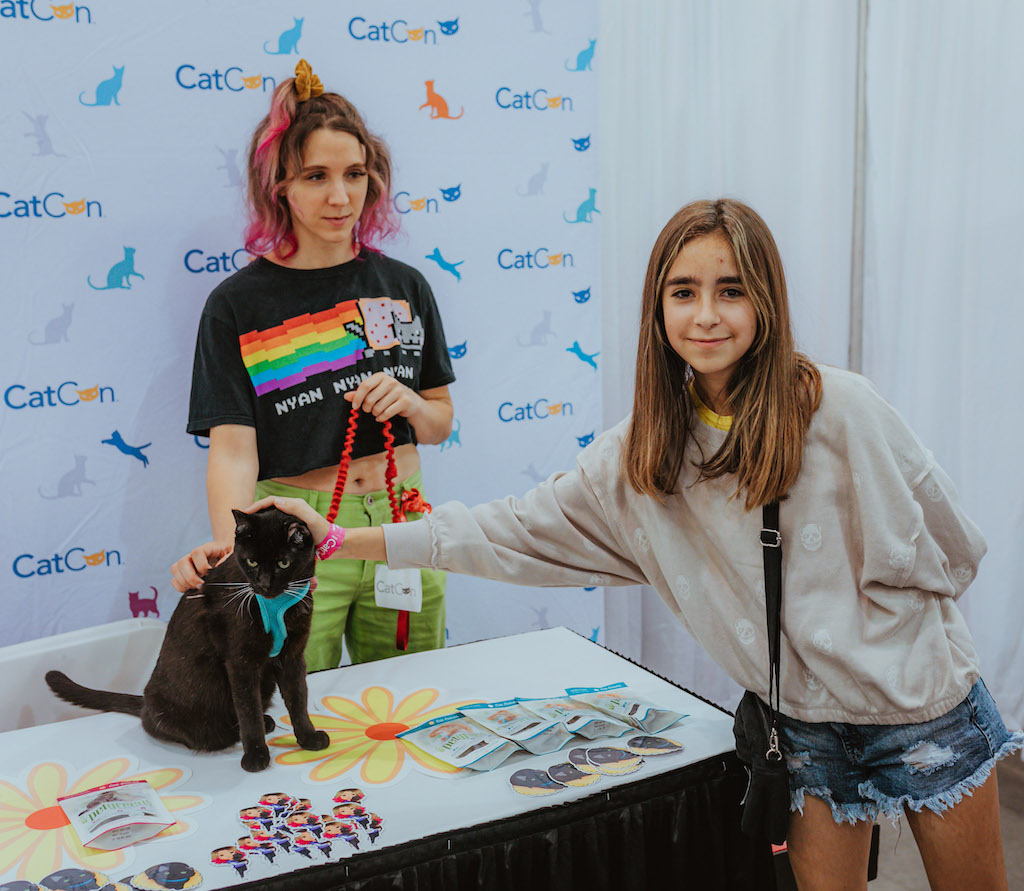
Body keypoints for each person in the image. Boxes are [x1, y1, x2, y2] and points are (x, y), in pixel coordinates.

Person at [247, 198, 1023, 889]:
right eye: (683, 292)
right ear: (656, 308)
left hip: (922, 708)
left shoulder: (839, 407)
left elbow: (953, 547)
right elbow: (507, 528)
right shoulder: (643, 454)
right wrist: (342, 537)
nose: (707, 315)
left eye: (731, 290)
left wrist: (877, 632)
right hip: (804, 731)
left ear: (767, 301)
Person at [171, 59, 455, 671]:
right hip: (291, 537)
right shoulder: (236, 305)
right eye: (316, 176)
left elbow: (439, 422)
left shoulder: (404, 285)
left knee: (416, 694)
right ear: (279, 186)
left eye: (355, 174)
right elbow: (232, 451)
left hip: (403, 521)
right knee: (302, 710)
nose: (340, 196)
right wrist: (233, 551)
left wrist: (411, 405)